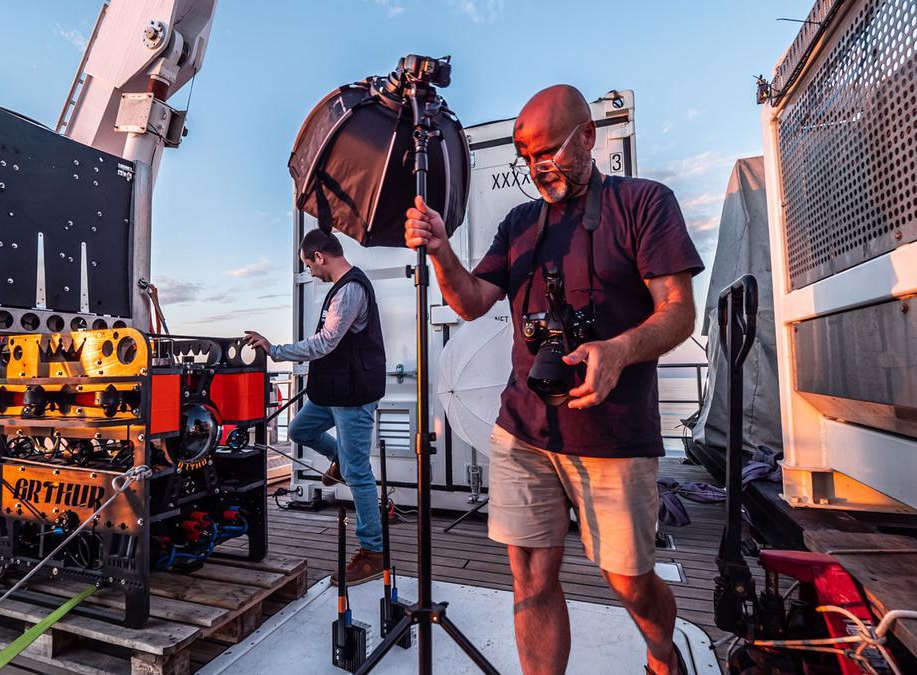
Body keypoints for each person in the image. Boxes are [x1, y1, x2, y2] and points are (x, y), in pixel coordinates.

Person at [404, 85, 703, 675]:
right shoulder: (519, 223)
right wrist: (440, 250)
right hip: (523, 431)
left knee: (629, 580)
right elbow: (469, 302)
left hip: (614, 436)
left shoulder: (644, 202)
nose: (538, 167)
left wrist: (617, 351)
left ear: (588, 136)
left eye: (548, 151)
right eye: (525, 156)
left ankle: (663, 655)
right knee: (531, 575)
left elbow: (678, 311)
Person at [244, 228, 386, 585]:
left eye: (309, 265)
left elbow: (324, 343)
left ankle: (374, 552)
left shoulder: (350, 289)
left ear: (320, 256)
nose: (310, 272)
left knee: (359, 474)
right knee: (299, 430)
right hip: (333, 392)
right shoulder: (340, 290)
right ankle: (339, 458)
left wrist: (275, 350)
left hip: (352, 396)